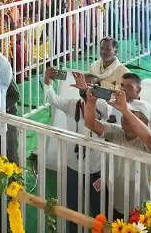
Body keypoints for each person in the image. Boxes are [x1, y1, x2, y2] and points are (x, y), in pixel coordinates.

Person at [42, 68, 106, 231]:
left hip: (95, 167)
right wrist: (47, 81)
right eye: (84, 84)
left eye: (91, 86)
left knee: (98, 208)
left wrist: (85, 90)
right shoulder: (72, 104)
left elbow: (96, 113)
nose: (86, 87)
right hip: (73, 165)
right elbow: (53, 99)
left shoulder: (103, 106)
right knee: (72, 206)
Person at [83, 87, 151, 215]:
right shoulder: (118, 132)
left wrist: (125, 110)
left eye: (132, 114)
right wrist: (91, 102)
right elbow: (90, 124)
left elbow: (149, 139)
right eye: (124, 114)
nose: (125, 117)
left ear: (144, 121)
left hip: (143, 208)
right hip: (116, 203)